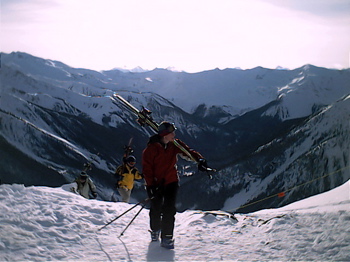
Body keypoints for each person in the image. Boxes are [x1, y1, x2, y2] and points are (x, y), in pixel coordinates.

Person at [142, 121, 208, 249]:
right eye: (172, 133)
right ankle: (155, 230)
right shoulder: (150, 150)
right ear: (164, 135)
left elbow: (188, 152)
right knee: (156, 208)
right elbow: (147, 170)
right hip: (156, 184)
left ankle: (167, 237)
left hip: (171, 181)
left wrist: (199, 159)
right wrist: (150, 186)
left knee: (169, 209)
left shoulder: (174, 144)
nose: (174, 134)